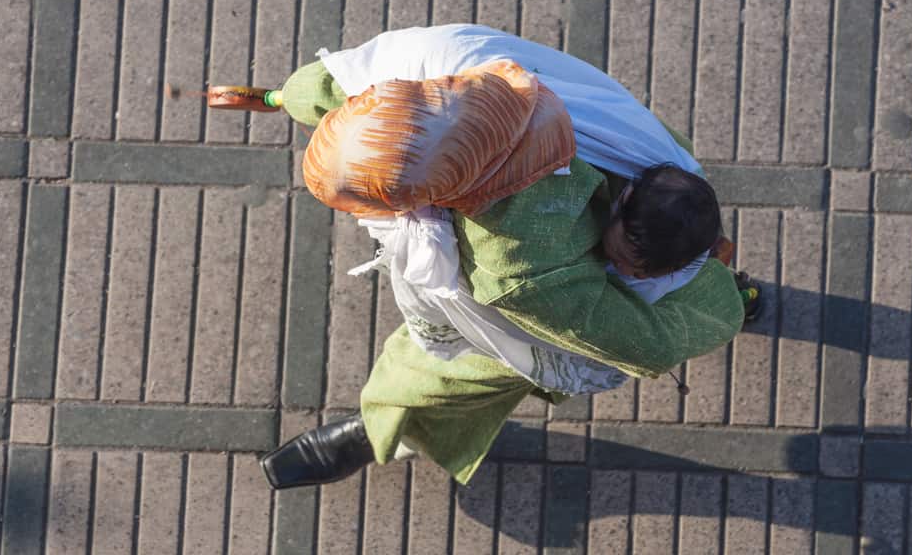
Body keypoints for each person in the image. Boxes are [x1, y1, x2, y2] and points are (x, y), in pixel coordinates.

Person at [258, 25, 759, 489]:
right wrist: (291, 96)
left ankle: (382, 425)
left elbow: (648, 341)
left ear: (422, 197)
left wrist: (712, 300)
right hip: (661, 163)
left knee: (449, 369)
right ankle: (709, 264)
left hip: (553, 305)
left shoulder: (519, 264)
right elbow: (330, 86)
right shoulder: (454, 68)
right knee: (683, 239)